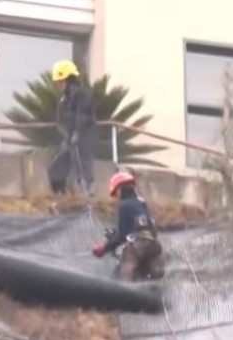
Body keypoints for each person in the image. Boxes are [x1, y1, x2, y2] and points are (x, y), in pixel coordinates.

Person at [92, 171, 165, 280]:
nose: (116, 197)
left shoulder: (124, 206)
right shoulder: (142, 203)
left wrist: (104, 248)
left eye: (116, 193)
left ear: (120, 190)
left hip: (136, 248)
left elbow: (122, 236)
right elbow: (151, 230)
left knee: (125, 279)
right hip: (154, 246)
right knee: (153, 280)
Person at [47, 60, 97, 195]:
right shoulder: (63, 102)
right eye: (57, 83)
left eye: (61, 82)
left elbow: (83, 117)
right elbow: (60, 121)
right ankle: (59, 193)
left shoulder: (83, 96)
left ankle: (88, 193)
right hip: (69, 138)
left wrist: (78, 134)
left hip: (85, 137)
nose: (59, 85)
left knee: (82, 162)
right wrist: (67, 135)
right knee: (57, 166)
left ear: (70, 81)